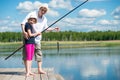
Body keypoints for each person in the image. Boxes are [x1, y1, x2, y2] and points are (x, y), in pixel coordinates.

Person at [21, 3, 59, 74]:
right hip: (28, 38)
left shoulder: (44, 19)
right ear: (39, 9)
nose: (43, 12)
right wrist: (24, 32)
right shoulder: (32, 14)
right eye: (42, 10)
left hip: (37, 38)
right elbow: (23, 23)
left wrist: (54, 28)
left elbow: (46, 28)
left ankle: (39, 69)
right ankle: (28, 71)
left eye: (45, 11)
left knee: (39, 53)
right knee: (27, 55)